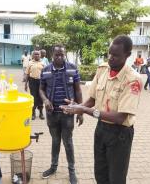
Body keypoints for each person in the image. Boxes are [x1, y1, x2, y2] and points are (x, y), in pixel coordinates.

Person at [60, 35, 142, 184]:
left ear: (128, 55)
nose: (110, 58)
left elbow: (120, 117)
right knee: (100, 174)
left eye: (116, 55)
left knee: (116, 178)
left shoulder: (133, 79)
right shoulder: (103, 69)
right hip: (101, 130)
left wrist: (85, 110)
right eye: (109, 53)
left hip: (120, 134)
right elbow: (92, 99)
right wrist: (78, 107)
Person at [39, 44, 83, 184]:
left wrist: (80, 111)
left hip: (67, 114)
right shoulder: (45, 70)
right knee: (55, 141)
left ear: (65, 54)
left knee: (68, 141)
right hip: (52, 114)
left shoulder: (72, 68)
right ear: (52, 55)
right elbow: (41, 89)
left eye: (61, 55)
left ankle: (71, 170)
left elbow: (78, 91)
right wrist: (45, 100)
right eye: (57, 55)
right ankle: (53, 167)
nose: (59, 57)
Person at [25, 50, 45, 120]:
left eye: (38, 54)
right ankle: (33, 113)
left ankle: (41, 113)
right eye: (35, 54)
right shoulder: (30, 63)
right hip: (32, 81)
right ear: (33, 55)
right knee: (33, 97)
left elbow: (45, 74)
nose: (36, 55)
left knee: (40, 97)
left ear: (40, 55)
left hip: (41, 82)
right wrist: (25, 84)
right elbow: (27, 74)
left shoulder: (43, 63)